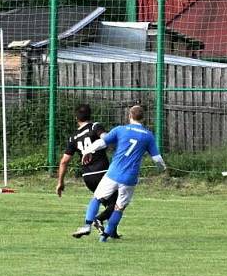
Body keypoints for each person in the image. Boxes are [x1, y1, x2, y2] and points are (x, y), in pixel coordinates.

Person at [80, 104, 166, 242]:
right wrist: (163, 168)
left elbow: (102, 143)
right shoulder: (148, 136)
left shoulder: (121, 130)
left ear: (129, 116)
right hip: (129, 178)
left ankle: (87, 225)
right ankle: (104, 237)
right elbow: (157, 159)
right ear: (143, 118)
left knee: (97, 198)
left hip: (113, 174)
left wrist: (87, 151)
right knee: (119, 208)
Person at [55, 104, 118, 238]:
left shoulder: (73, 138)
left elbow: (64, 161)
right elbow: (105, 138)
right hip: (103, 172)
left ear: (76, 118)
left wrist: (60, 182)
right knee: (117, 203)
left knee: (107, 202)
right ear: (90, 115)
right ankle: (96, 223)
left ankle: (110, 232)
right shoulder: (95, 126)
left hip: (87, 176)